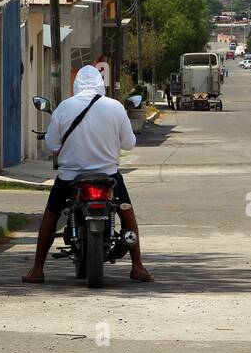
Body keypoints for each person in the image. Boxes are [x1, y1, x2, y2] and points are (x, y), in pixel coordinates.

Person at [21, 64, 154, 284]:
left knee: (52, 215)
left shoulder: (64, 108)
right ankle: (138, 266)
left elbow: (51, 144)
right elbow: (129, 143)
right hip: (108, 176)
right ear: (101, 85)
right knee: (126, 211)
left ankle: (37, 269)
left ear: (75, 86)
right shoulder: (115, 107)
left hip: (70, 177)